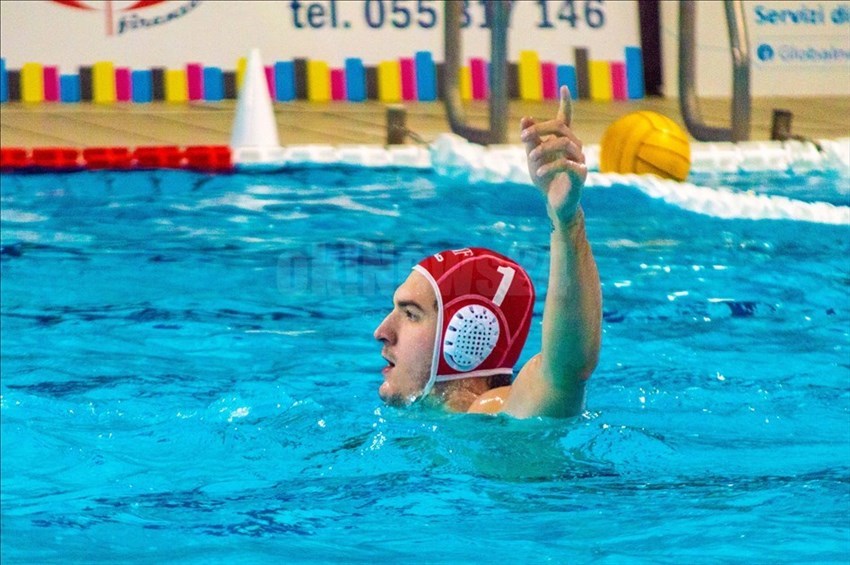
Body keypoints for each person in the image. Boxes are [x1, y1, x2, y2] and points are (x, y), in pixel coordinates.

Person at [374, 86, 601, 418]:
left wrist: (567, 222)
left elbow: (566, 370)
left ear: (467, 333)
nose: (382, 332)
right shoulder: (424, 419)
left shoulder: (491, 414)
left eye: (411, 314)